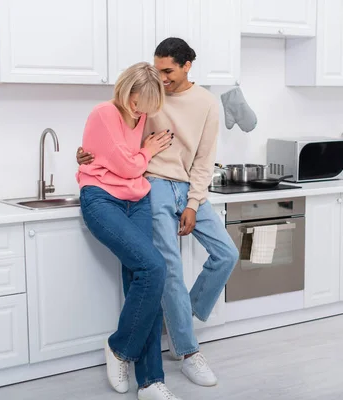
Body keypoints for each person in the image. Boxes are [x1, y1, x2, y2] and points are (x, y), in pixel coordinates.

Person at [77, 38, 239, 387]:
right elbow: (120, 135)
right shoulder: (150, 99)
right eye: (157, 69)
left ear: (187, 66)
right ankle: (188, 351)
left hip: (188, 188)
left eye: (167, 71)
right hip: (153, 184)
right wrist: (88, 152)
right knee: (168, 270)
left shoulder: (207, 104)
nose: (161, 77)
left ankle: (183, 309)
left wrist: (194, 203)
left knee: (227, 253)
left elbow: (204, 159)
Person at [77, 62, 182, 400]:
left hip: (137, 200)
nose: (141, 111)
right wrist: (146, 152)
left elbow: (129, 165)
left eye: (147, 106)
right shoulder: (104, 113)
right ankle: (120, 349)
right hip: (102, 199)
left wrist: (137, 157)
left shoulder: (138, 118)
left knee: (144, 279)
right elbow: (127, 165)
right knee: (154, 268)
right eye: (139, 102)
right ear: (127, 89)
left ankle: (151, 382)